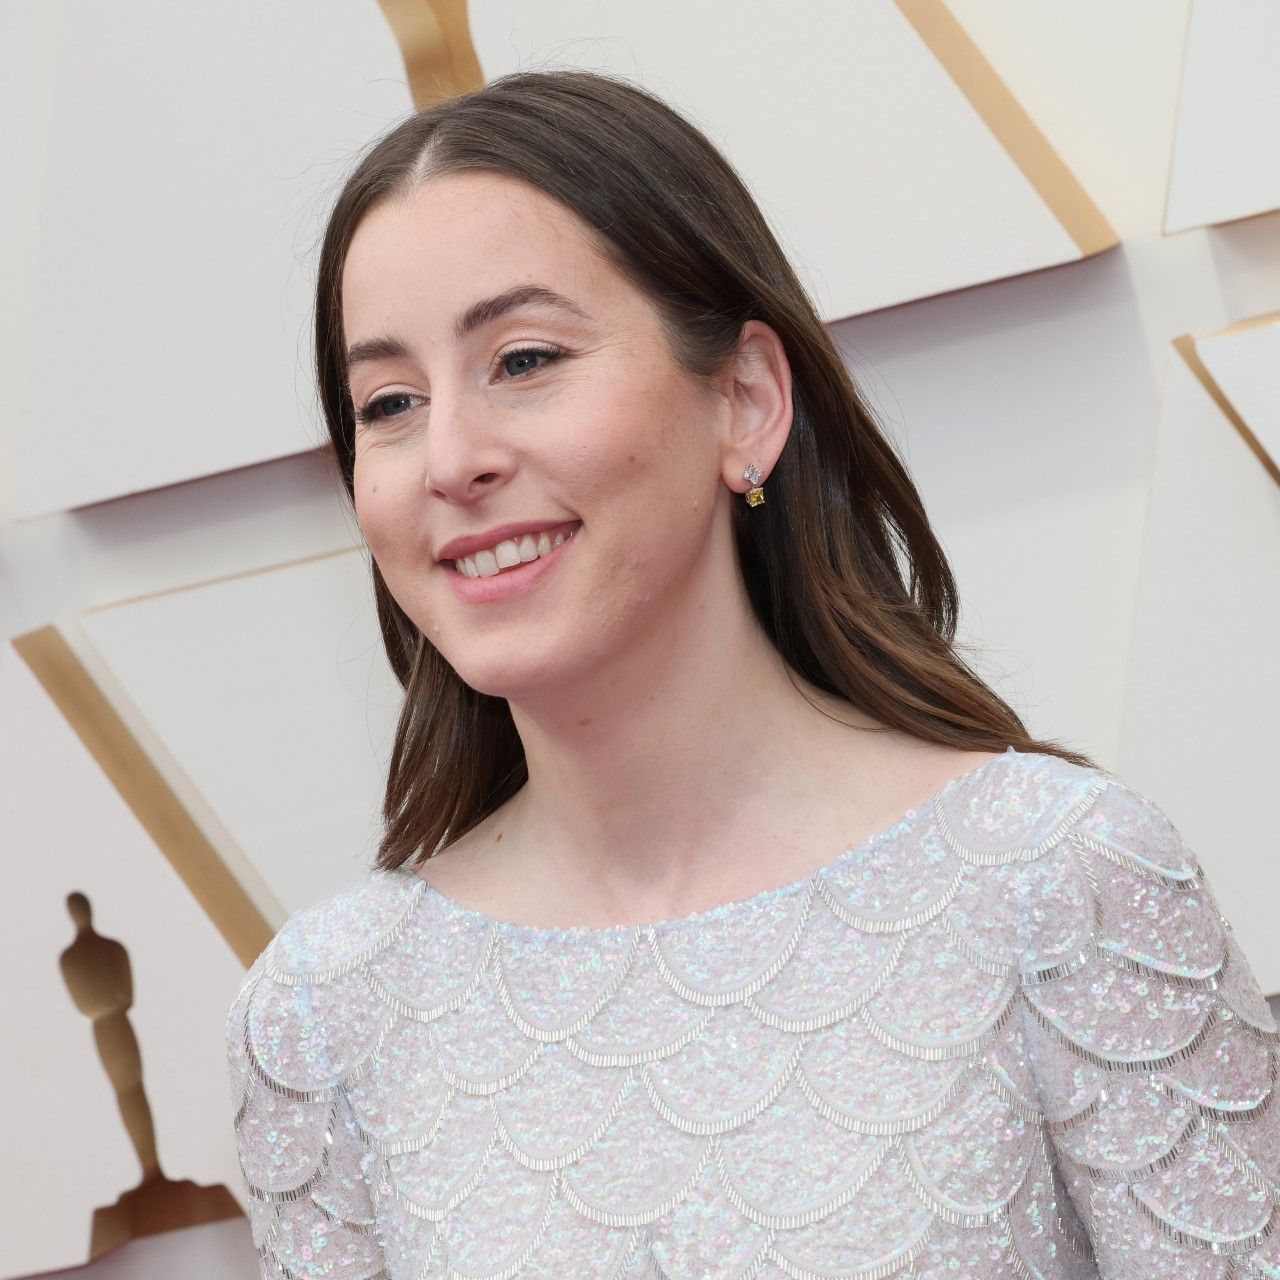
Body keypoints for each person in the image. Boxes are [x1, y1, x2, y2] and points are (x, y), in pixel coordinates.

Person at [225, 69, 1279, 1278]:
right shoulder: (323, 1014)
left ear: (742, 399)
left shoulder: (1059, 879)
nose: (449, 457)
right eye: (389, 402)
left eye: (522, 359)